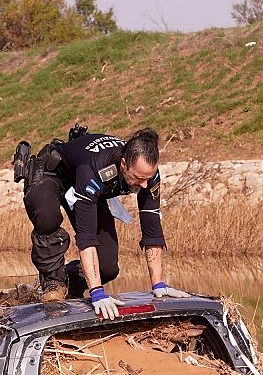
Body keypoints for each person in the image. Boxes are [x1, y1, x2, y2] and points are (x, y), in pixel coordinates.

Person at [20, 127, 190, 319]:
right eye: (138, 179)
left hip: (93, 188)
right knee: (46, 215)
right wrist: (97, 292)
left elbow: (152, 230)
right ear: (124, 164)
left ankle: (70, 284)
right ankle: (54, 282)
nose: (144, 185)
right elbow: (86, 238)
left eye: (147, 179)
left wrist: (159, 284)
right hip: (52, 174)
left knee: (108, 266)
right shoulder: (96, 169)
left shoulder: (148, 176)